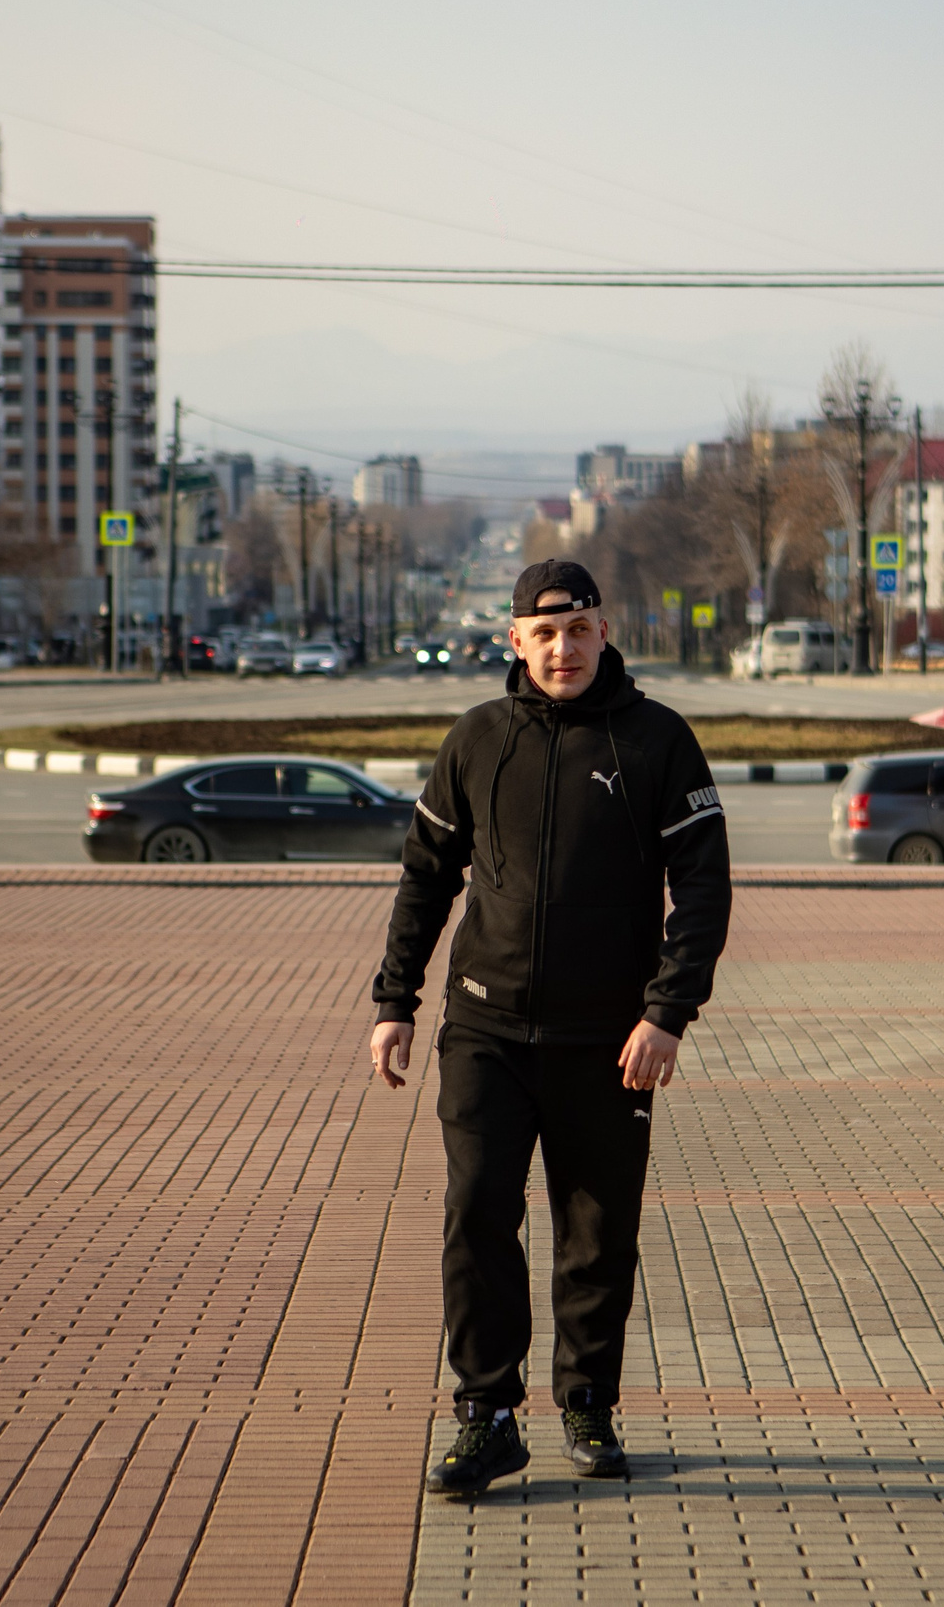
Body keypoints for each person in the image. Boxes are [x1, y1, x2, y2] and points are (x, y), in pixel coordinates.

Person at [368, 558, 731, 1496]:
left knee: (595, 1229)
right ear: (515, 641)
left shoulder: (657, 742)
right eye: (544, 634)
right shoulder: (478, 739)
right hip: (485, 1030)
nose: (562, 649)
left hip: (610, 1040)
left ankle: (587, 1405)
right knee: (477, 1213)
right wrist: (394, 1000)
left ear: (604, 632)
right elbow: (426, 877)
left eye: (579, 631)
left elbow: (702, 888)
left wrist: (666, 1012)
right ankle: (486, 1416)